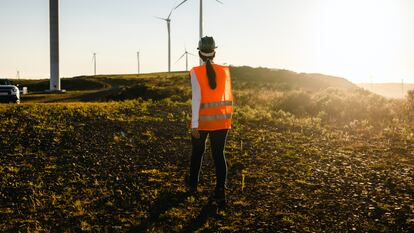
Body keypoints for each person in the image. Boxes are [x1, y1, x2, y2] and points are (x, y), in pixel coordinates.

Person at [186, 36, 233, 206]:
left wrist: (194, 125)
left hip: (203, 122)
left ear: (199, 52)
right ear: (215, 52)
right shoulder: (225, 71)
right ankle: (220, 192)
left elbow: (196, 99)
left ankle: (192, 187)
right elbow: (224, 96)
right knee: (218, 156)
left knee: (197, 154)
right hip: (221, 121)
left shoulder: (195, 72)